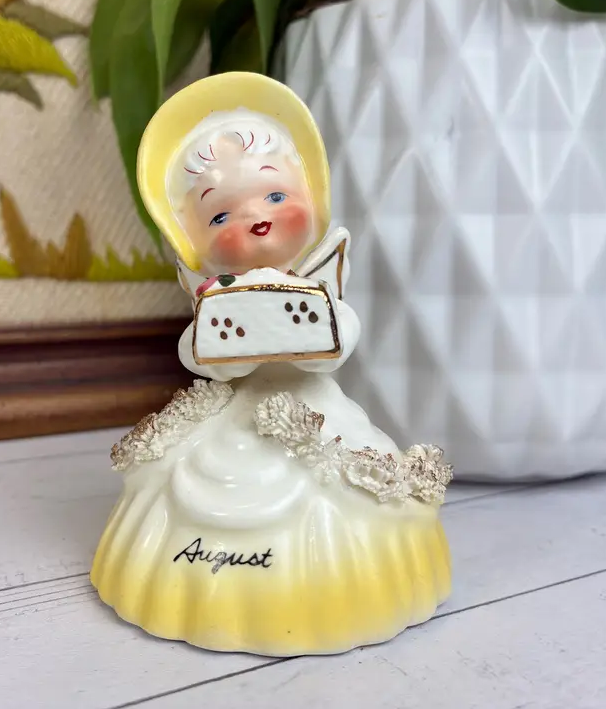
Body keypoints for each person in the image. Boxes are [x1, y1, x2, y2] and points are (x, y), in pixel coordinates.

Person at [90, 72, 452, 657]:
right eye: (219, 217)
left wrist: (317, 337)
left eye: (276, 196)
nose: (257, 218)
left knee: (344, 496)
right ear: (191, 240)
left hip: (311, 406)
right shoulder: (214, 294)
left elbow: (341, 334)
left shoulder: (320, 279)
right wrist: (223, 350)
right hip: (239, 406)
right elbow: (196, 351)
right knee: (186, 484)